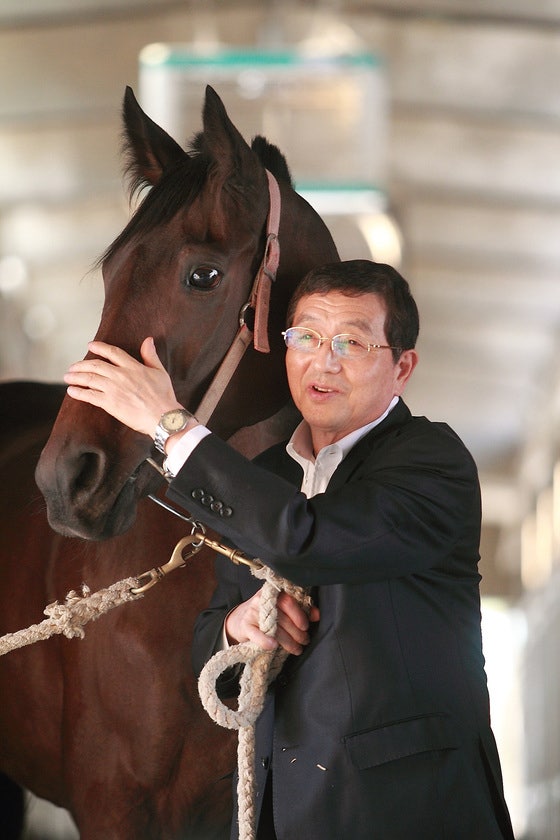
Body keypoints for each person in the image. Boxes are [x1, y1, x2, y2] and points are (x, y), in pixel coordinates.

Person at [64, 259, 514, 840]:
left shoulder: (431, 461)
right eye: (305, 337)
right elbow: (211, 662)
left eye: (351, 342)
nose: (322, 361)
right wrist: (238, 627)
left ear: (402, 368)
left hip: (406, 810)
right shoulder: (266, 475)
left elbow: (306, 538)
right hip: (280, 811)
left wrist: (169, 425)